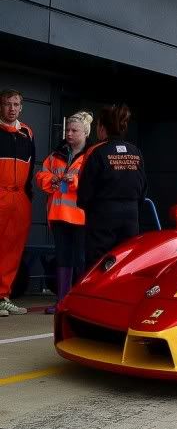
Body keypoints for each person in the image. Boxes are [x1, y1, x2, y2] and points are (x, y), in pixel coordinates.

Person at [78, 105, 147, 269]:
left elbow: (85, 189)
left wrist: (86, 206)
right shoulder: (135, 151)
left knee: (98, 263)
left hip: (102, 215)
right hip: (131, 216)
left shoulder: (96, 152)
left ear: (102, 128)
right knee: (126, 261)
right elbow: (143, 187)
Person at [36, 111, 92, 313]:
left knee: (81, 259)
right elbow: (41, 175)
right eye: (67, 129)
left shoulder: (91, 156)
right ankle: (62, 301)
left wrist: (75, 181)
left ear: (85, 133)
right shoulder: (56, 154)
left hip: (80, 217)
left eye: (74, 130)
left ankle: (80, 300)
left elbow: (96, 184)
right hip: (58, 215)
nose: (69, 133)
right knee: (63, 258)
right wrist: (51, 180)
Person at [0, 88, 34, 316]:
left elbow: (31, 168)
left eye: (15, 104)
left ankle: (3, 297)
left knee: (12, 249)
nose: (11, 109)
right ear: (0, 106)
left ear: (21, 107)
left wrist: (27, 197)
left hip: (19, 197)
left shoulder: (27, 132)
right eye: (7, 104)